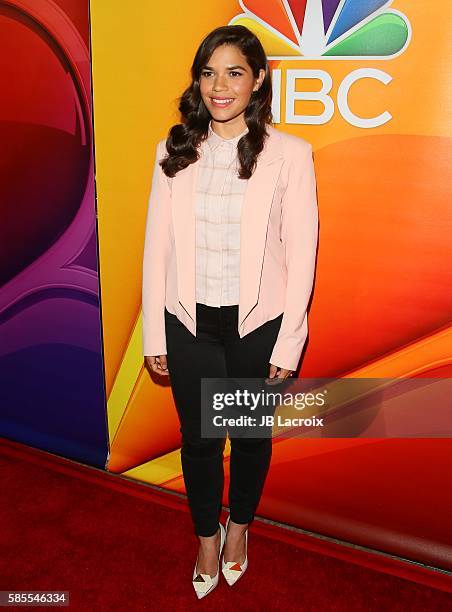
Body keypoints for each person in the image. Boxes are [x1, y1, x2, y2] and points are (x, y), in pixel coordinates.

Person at [142, 25, 318, 598]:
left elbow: (301, 252)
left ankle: (238, 528)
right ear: (198, 81)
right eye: (209, 72)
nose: (220, 86)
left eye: (235, 72)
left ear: (258, 79)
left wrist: (288, 341)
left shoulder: (289, 155)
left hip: (255, 324)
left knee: (246, 439)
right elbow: (157, 247)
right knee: (197, 441)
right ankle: (205, 539)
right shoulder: (173, 151)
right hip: (188, 321)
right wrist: (154, 333)